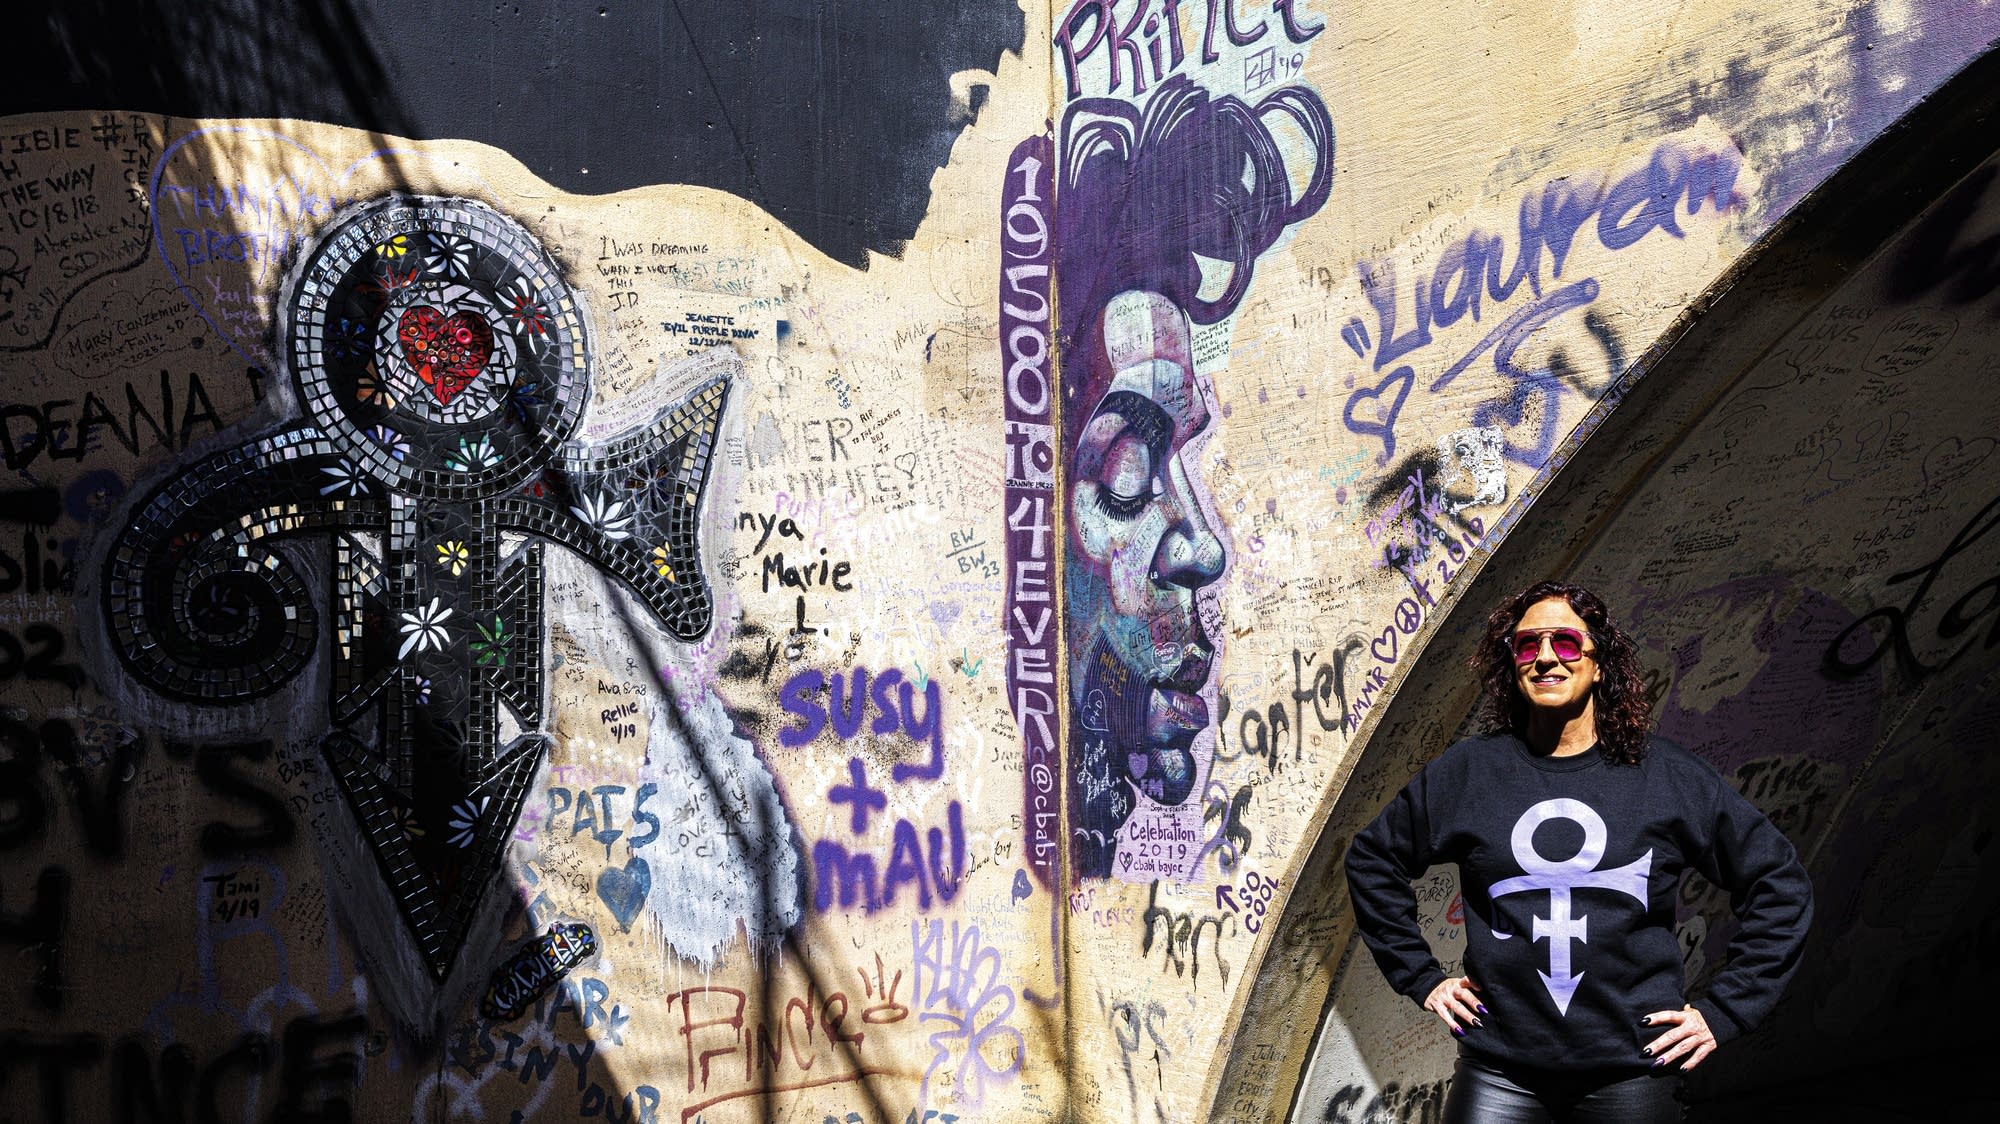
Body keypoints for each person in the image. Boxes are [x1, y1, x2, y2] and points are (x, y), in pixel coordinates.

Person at [1344, 580, 1813, 1122]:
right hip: (1499, 1070)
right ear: (1512, 665)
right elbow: (1373, 859)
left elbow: (1779, 883)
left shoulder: (1664, 777)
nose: (1545, 658)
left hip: (1632, 1068)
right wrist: (1422, 978)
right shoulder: (1470, 773)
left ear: (1599, 663)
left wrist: (1725, 1010)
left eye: (1565, 643)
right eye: (1526, 645)